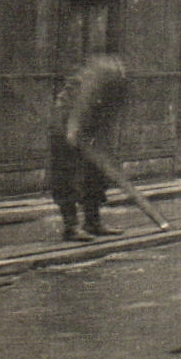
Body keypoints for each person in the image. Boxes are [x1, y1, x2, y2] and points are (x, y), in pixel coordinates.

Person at [48, 55, 131, 241]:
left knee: (96, 174)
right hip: (64, 125)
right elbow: (79, 107)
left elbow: (107, 115)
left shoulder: (117, 82)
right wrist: (72, 133)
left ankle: (93, 222)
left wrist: (102, 144)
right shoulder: (96, 77)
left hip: (90, 126)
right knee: (67, 176)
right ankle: (71, 227)